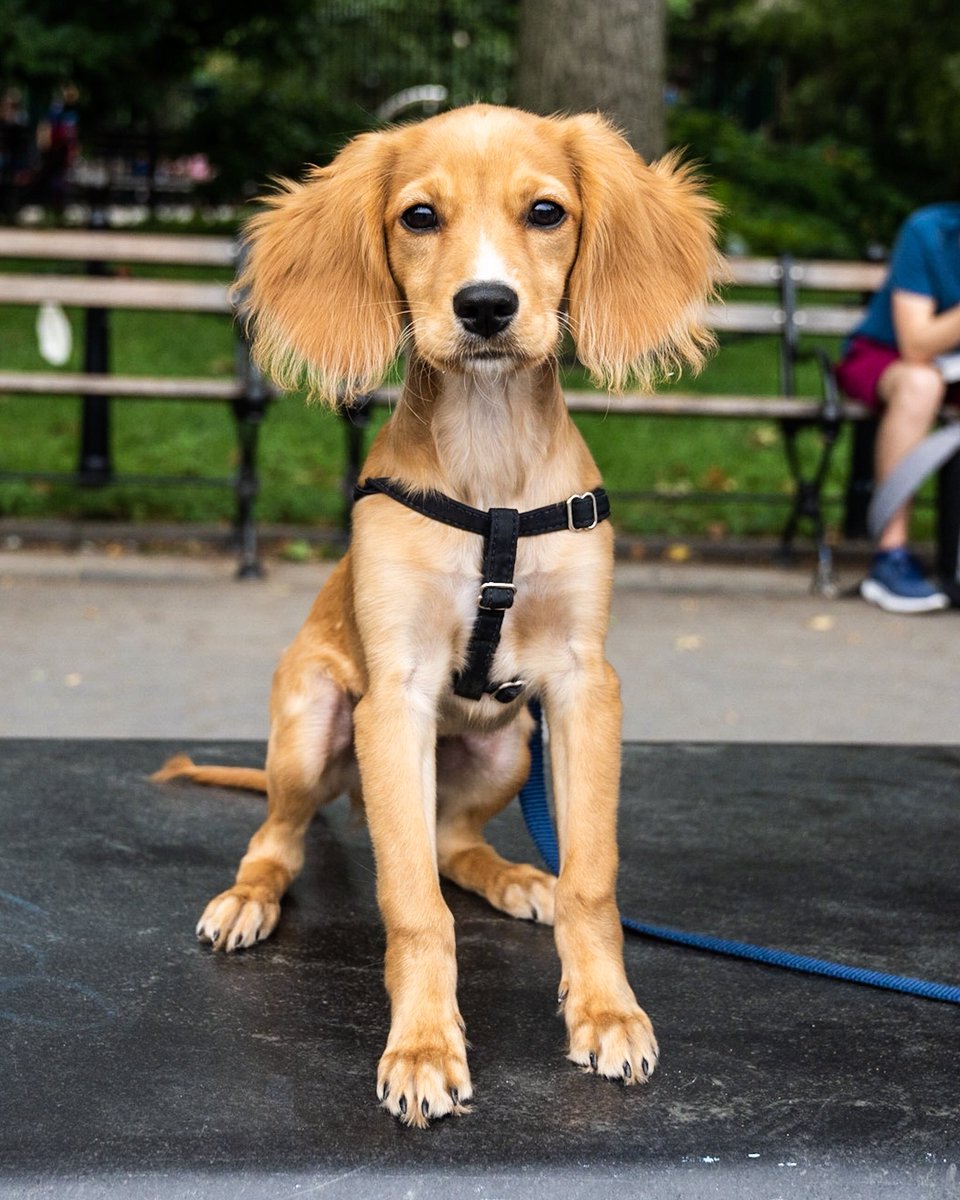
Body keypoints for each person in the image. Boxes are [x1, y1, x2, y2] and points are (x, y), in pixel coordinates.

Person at [836, 203, 960, 613]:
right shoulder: (930, 231)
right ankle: (891, 557)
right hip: (887, 358)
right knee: (921, 384)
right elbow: (916, 344)